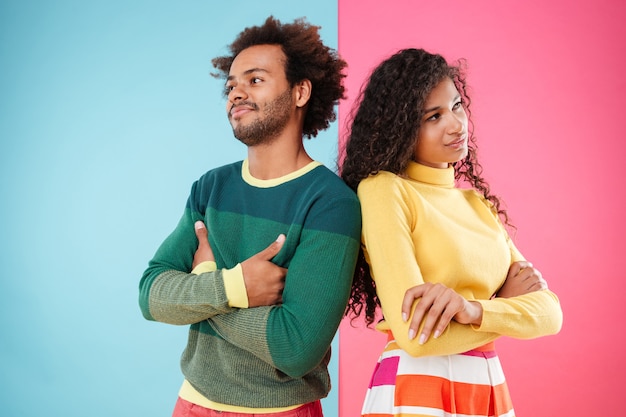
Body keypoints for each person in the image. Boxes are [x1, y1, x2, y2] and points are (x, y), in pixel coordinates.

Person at [139, 16, 361, 417]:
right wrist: (232, 287)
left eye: (255, 80)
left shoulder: (330, 203)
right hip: (191, 404)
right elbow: (151, 295)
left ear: (300, 92)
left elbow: (296, 348)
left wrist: (203, 282)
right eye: (231, 86)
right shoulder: (210, 188)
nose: (236, 93)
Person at [341, 48, 563, 417]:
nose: (456, 124)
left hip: (486, 384)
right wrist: (505, 310)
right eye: (434, 116)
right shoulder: (384, 190)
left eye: (457, 106)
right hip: (418, 381)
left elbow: (550, 314)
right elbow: (416, 338)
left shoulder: (478, 206)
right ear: (401, 127)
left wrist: (473, 309)